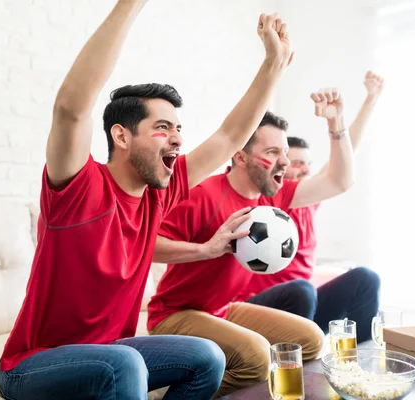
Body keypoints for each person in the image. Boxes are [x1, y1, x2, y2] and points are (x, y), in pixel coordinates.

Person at [0, 0, 295, 398]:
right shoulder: (78, 189)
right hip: (33, 365)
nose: (177, 138)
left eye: (177, 128)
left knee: (208, 356)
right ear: (121, 136)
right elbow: (70, 109)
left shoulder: (160, 194)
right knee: (125, 361)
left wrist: (273, 65)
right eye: (162, 128)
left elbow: (228, 137)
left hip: (110, 353)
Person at [147, 87, 355, 396]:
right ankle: (167, 395)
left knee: (311, 338)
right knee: (256, 356)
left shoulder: (274, 197)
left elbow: (340, 181)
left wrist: (336, 124)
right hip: (174, 314)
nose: (283, 161)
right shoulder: (202, 195)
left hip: (223, 308)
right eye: (272, 153)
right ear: (240, 157)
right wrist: (206, 249)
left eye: (284, 152)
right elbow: (147, 247)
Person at [237, 71, 385, 343]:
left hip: (305, 308)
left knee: (366, 278)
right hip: (265, 308)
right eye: (295, 162)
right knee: (302, 290)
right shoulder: (265, 199)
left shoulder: (309, 200)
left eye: (308, 163)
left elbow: (344, 158)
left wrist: (370, 101)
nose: (304, 169)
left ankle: (363, 366)